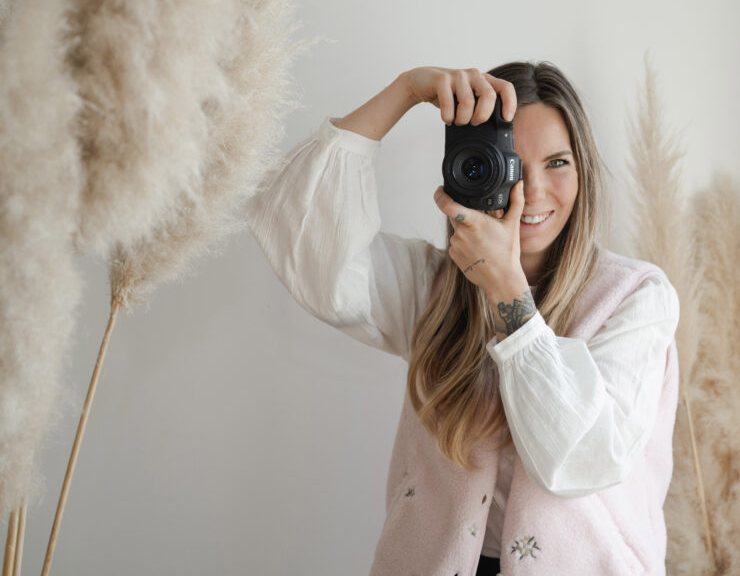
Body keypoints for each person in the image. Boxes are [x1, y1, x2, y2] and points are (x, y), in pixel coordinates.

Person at [247, 62, 680, 575]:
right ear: (466, 168)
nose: (532, 190)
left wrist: (506, 290)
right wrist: (406, 90)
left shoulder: (635, 297)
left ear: (584, 170)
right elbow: (302, 238)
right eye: (510, 163)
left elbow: (581, 459)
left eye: (558, 162)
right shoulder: (432, 285)